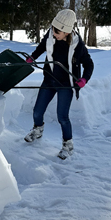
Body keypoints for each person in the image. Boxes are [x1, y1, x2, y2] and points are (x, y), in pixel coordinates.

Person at [24, 9, 94, 159]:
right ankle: (37, 130)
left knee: (62, 116)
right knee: (37, 111)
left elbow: (89, 64)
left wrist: (84, 79)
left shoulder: (77, 45)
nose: (54, 33)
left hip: (66, 84)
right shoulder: (51, 35)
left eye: (58, 32)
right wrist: (32, 57)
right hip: (49, 79)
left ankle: (68, 145)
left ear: (67, 32)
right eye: (53, 29)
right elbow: (42, 46)